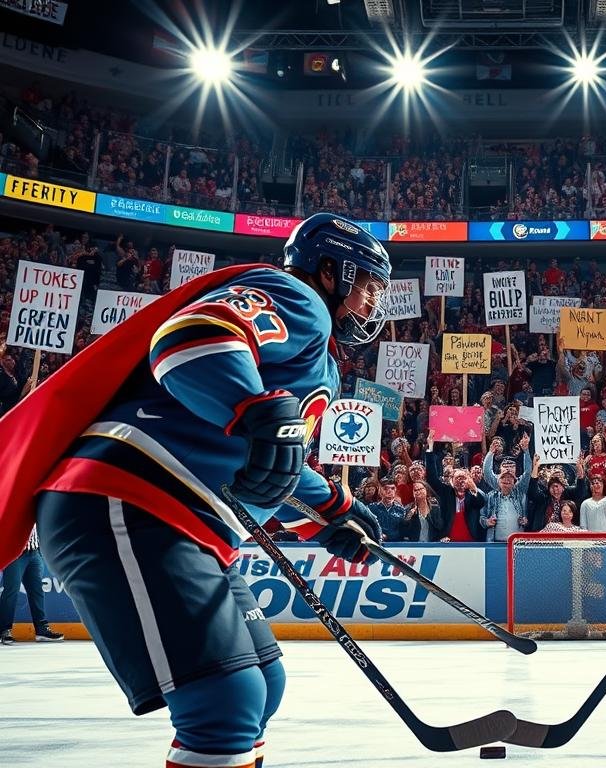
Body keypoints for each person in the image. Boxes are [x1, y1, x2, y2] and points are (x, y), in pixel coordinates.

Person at [0, 213, 390, 768]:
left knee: (261, 687)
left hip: (176, 518)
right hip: (129, 498)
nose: (373, 305)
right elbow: (190, 338)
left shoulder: (321, 359)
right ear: (330, 271)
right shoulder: (296, 298)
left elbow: (267, 459)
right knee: (223, 701)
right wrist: (253, 412)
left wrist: (333, 510)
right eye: (369, 287)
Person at [0, 525, 64, 644]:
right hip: (15, 554)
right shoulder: (14, 506)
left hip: (34, 552)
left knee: (37, 591)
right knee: (11, 591)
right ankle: (4, 630)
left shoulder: (36, 506)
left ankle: (41, 629)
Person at [580, 467, 606, 533]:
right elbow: (583, 527)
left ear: (604, 485)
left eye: (598, 483)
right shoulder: (585, 503)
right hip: (593, 540)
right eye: (593, 483)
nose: (595, 485)